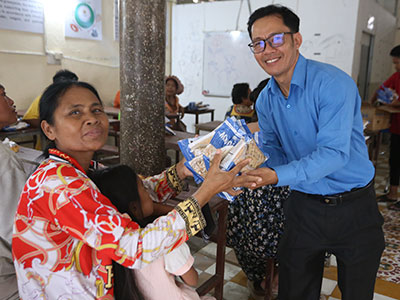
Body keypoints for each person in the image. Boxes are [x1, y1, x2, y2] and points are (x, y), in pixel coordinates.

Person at [12, 80, 250, 299]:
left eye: (96, 110)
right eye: (75, 112)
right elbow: (135, 248)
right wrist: (205, 192)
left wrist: (185, 169)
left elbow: (136, 190)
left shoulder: (81, 168)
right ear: (49, 129)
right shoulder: (59, 184)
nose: (92, 119)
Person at [243, 5, 385, 300]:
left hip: (354, 206)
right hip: (303, 206)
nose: (267, 49)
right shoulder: (266, 100)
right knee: (294, 291)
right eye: (258, 43)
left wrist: (274, 175)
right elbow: (273, 148)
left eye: (276, 39)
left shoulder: (332, 84)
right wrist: (249, 162)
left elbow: (333, 154)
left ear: (297, 39)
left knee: (357, 292)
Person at [91, 165, 215, 300]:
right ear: (134, 206)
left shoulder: (105, 242)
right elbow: (192, 280)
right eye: (144, 188)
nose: (149, 192)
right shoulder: (163, 239)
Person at [226, 79, 288, 300]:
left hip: (244, 231)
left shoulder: (242, 132)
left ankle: (260, 277)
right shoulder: (289, 136)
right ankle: (277, 275)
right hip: (271, 232)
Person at [0, 84, 27, 300]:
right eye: (2, 95)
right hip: (7, 279)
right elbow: (17, 231)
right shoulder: (4, 161)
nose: (10, 101)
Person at [372, 45, 400, 210]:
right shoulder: (396, 76)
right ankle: (392, 194)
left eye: (397, 62)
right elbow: (381, 89)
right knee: (394, 161)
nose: (395, 66)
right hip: (396, 128)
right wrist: (372, 101)